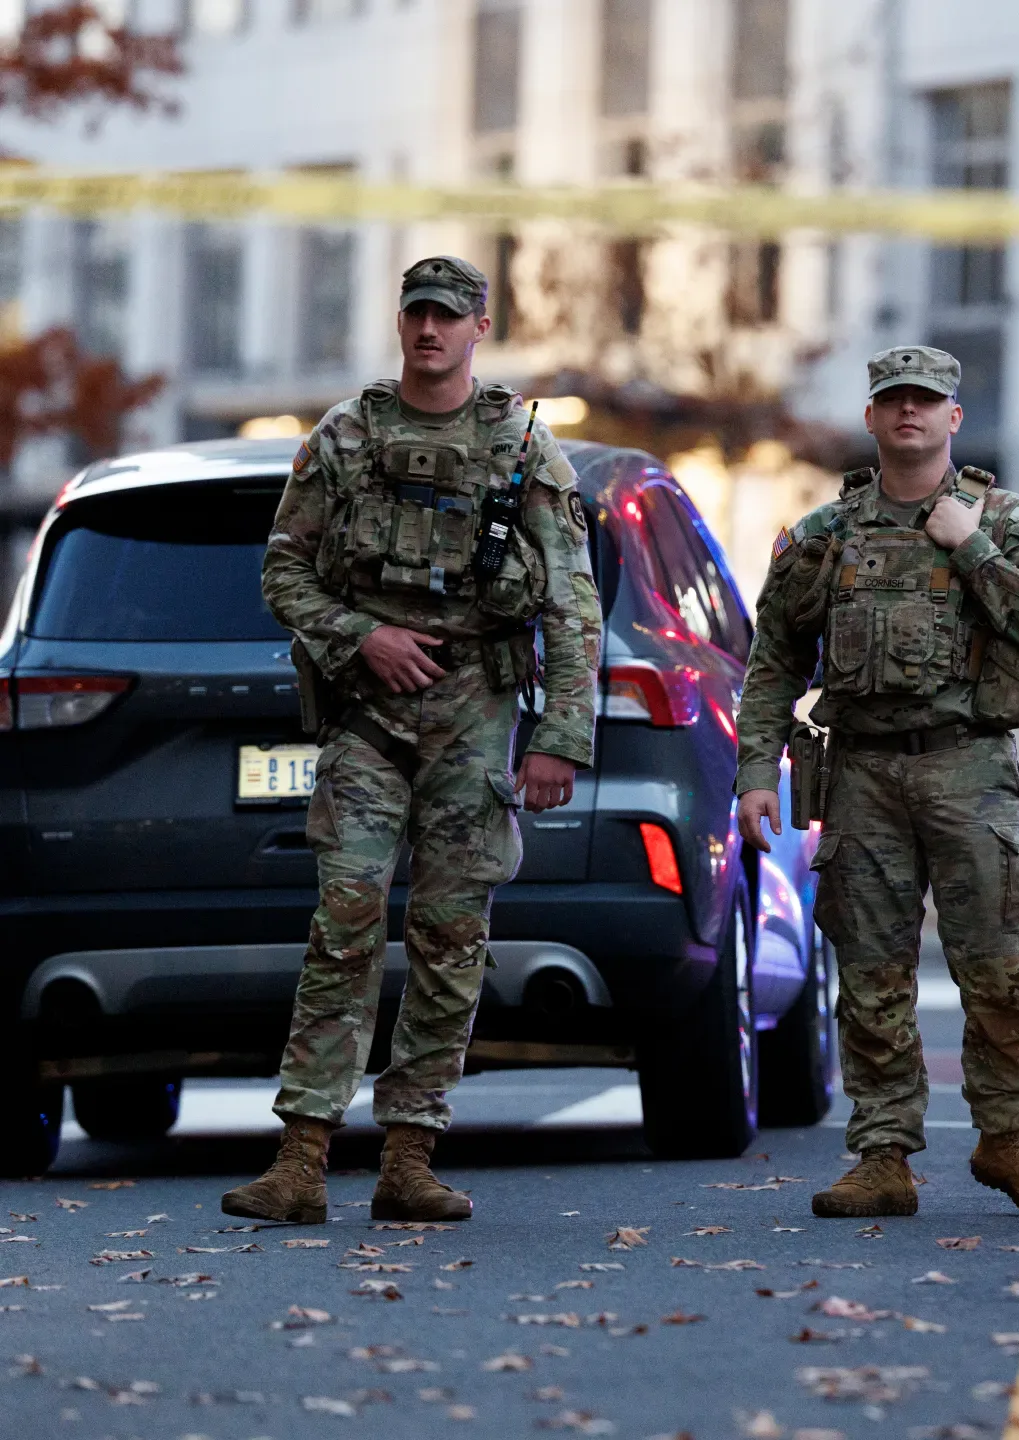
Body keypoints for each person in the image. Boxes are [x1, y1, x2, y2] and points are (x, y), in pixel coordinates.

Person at [223, 256, 601, 1225]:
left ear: (480, 326)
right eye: (417, 313)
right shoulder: (345, 435)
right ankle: (301, 1159)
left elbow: (571, 597)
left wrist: (561, 734)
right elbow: (284, 572)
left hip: (476, 710)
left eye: (448, 315)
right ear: (401, 323)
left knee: (449, 934)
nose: (430, 330)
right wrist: (362, 636)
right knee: (344, 919)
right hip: (369, 713)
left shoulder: (521, 444)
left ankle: (409, 1157)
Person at [736, 345, 1019, 1219]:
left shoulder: (1007, 520)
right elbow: (774, 660)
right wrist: (756, 771)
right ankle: (882, 1153)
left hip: (969, 764)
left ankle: (1006, 1138)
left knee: (1000, 962)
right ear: (872, 416)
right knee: (871, 971)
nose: (909, 413)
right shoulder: (825, 537)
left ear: (954, 416)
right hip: (861, 771)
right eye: (893, 400)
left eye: (925, 401)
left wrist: (972, 549)